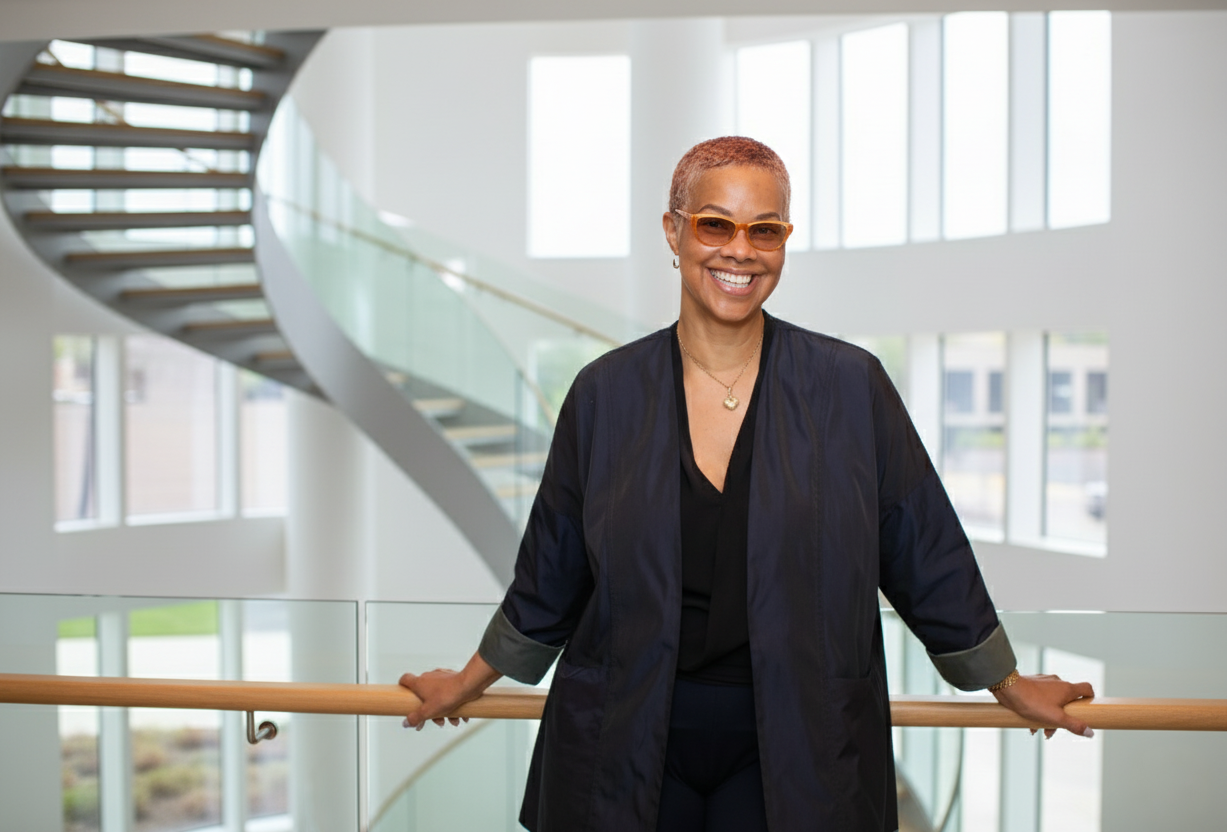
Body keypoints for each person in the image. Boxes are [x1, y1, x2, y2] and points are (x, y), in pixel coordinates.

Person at [400, 137, 1095, 832]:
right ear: (673, 230)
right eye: (715, 224)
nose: (741, 250)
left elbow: (924, 549)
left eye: (765, 230)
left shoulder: (849, 388)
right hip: (631, 730)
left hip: (799, 737)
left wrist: (1007, 683)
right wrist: (466, 681)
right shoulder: (604, 394)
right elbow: (550, 571)